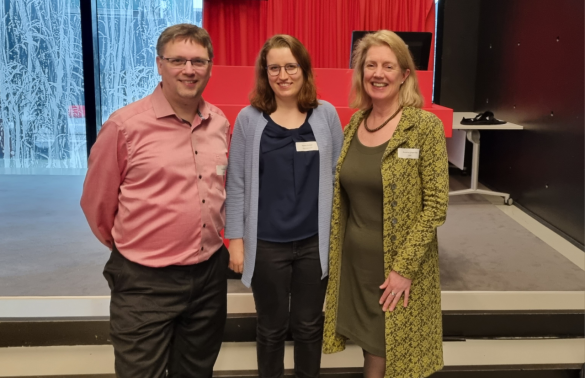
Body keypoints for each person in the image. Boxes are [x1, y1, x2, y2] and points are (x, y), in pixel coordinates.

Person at [80, 24, 230, 378]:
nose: (189, 70)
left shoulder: (219, 122)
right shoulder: (125, 127)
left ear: (210, 67)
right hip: (144, 282)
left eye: (198, 61)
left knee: (196, 371)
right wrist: (139, 244)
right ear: (159, 65)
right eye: (178, 60)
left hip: (209, 275)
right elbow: (97, 205)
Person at [322, 30, 449, 378]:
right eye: (370, 65)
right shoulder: (354, 125)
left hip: (396, 268)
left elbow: (436, 205)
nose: (378, 73)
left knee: (387, 357)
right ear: (361, 72)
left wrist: (403, 269)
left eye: (388, 66)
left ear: (405, 74)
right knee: (371, 350)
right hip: (355, 265)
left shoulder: (423, 127)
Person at [225, 34, 343, 378]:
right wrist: (236, 240)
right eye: (274, 68)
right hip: (266, 244)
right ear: (265, 73)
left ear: (304, 70)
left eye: (291, 66)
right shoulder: (250, 119)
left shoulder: (326, 116)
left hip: (313, 243)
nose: (283, 75)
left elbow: (338, 177)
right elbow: (237, 183)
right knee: (271, 328)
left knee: (308, 326)